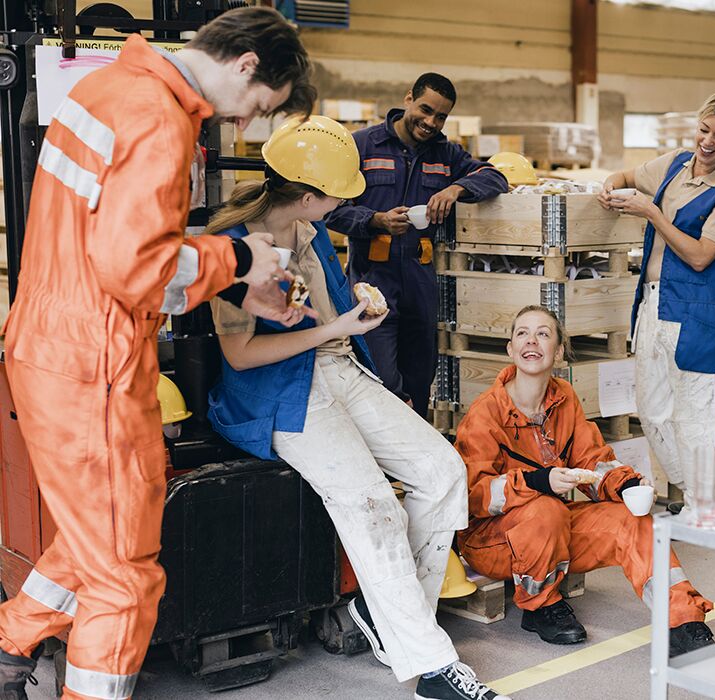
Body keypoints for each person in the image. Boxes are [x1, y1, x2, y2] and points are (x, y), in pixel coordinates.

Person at [0, 8, 315, 698]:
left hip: (52, 342)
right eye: (258, 108)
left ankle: (11, 641)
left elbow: (100, 243)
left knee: (107, 526)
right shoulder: (160, 118)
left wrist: (236, 283)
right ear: (247, 64)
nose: (242, 126)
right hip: (95, 364)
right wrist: (236, 254)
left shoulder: (104, 90)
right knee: (124, 572)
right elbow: (132, 267)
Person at [206, 115, 508, 700]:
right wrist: (332, 330)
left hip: (340, 370)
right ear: (306, 195)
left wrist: (355, 312)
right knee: (371, 501)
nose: (347, 202)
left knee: (441, 470)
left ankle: (386, 614)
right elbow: (241, 356)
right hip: (279, 394)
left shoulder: (313, 233)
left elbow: (332, 318)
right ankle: (429, 664)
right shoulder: (234, 251)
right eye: (337, 194)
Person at [454, 305, 715, 655]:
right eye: (522, 334)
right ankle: (540, 606)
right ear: (511, 349)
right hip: (492, 541)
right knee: (546, 510)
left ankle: (683, 619)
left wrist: (625, 484)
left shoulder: (564, 398)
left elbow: (592, 460)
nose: (532, 341)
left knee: (632, 519)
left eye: (543, 334)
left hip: (551, 531)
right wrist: (537, 482)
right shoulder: (486, 412)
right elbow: (474, 497)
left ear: (559, 351)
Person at [597, 91, 715, 502]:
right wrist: (609, 187)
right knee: (651, 413)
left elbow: (702, 256)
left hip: (697, 314)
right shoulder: (673, 165)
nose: (707, 141)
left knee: (694, 416)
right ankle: (694, 491)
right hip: (653, 301)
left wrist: (653, 213)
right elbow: (626, 175)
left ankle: (704, 502)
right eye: (704, 129)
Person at [325, 73, 508, 419]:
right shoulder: (362, 146)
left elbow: (495, 177)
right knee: (381, 379)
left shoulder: (446, 153)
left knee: (421, 380)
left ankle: (413, 463)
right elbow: (332, 211)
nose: (431, 122)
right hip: (373, 282)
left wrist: (456, 190)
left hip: (422, 283)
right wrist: (374, 220)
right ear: (408, 98)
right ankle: (380, 462)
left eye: (441, 116)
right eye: (426, 110)